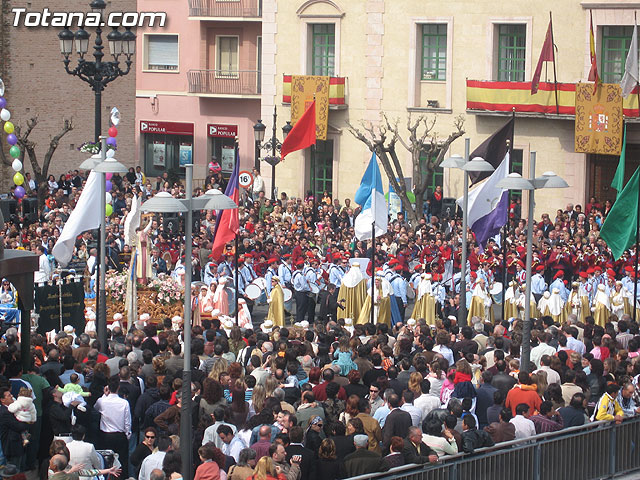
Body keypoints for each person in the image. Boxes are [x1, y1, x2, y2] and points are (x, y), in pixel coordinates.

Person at [94, 378, 132, 478]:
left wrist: (104, 395)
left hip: (106, 436)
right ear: (118, 388)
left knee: (105, 461)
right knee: (122, 462)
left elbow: (95, 408)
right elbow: (127, 422)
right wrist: (128, 435)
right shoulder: (124, 403)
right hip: (119, 436)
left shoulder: (102, 401)